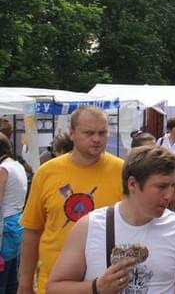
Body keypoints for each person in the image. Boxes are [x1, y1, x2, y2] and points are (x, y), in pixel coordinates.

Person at [46, 145, 175, 293]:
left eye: (173, 186)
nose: (169, 195)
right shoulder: (90, 227)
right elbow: (54, 288)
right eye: (161, 187)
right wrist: (96, 287)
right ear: (132, 184)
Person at [19, 106, 124, 294]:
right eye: (89, 133)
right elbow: (32, 232)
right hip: (52, 285)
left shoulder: (122, 171)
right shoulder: (46, 173)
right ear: (72, 133)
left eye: (102, 133)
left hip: (106, 285)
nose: (97, 139)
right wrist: (25, 285)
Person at [0, 133, 28, 293]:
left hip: (4, 227)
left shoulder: (3, 169)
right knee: (12, 278)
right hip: (17, 223)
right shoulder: (16, 165)